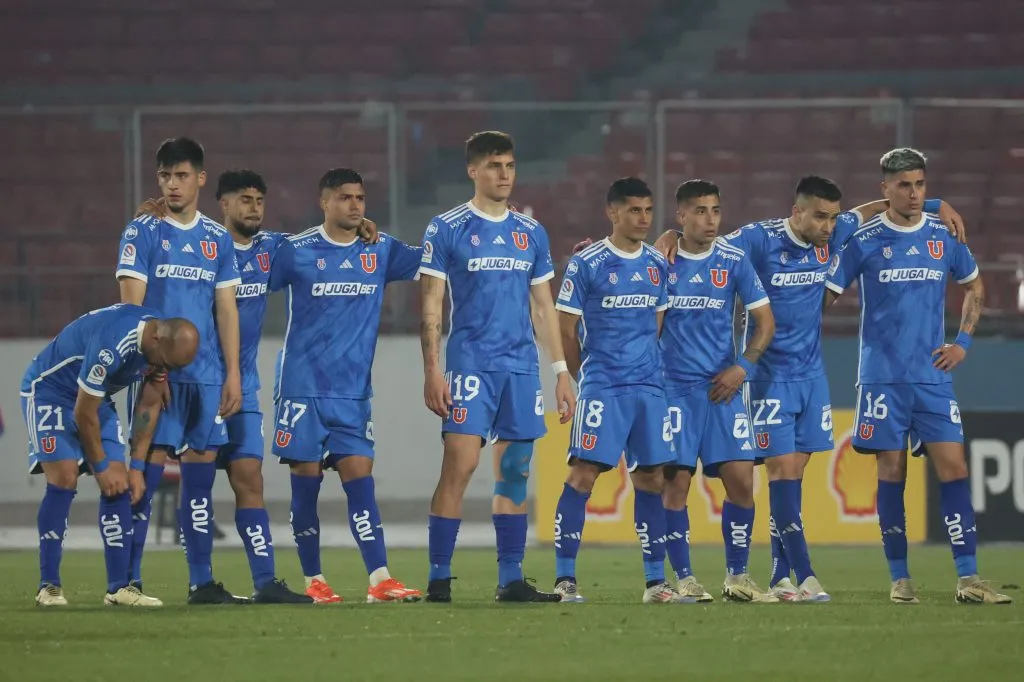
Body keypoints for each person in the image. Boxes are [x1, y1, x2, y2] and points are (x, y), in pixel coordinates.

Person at [652, 178, 967, 601]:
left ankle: (780, 577)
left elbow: (875, 208)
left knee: (793, 478)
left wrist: (936, 202)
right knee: (779, 474)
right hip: (767, 377)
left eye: (833, 217)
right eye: (820, 216)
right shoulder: (758, 239)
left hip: (811, 377)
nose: (829, 225)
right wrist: (669, 234)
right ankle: (805, 574)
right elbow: (706, 243)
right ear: (796, 211)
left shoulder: (836, 232)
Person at [825, 147, 1010, 605]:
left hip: (931, 378)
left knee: (955, 469)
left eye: (920, 184)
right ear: (884, 188)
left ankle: (968, 579)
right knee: (891, 471)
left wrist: (962, 343)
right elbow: (824, 297)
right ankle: (900, 579)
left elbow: (975, 288)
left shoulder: (943, 235)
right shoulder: (863, 241)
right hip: (882, 378)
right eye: (904, 184)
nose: (913, 192)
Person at [135, 170, 312, 603]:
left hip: (242, 382)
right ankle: (198, 581)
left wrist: (359, 227)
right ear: (223, 204)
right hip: (198, 381)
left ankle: (266, 580)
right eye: (244, 200)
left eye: (259, 200)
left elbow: (319, 243)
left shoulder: (271, 248)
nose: (253, 207)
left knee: (249, 475)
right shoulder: (199, 244)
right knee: (192, 476)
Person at [419, 131, 576, 603]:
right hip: (470, 365)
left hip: (520, 368)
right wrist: (432, 370)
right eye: (493, 166)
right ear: (473, 170)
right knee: (460, 466)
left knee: (514, 471)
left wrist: (561, 372)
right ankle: (439, 577)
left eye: (509, 165)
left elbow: (544, 307)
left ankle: (511, 579)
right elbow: (431, 302)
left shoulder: (531, 233)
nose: (504, 174)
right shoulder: (446, 228)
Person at [270, 168, 422, 603]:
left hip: (353, 394)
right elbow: (243, 279)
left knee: (361, 480)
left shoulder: (380, 250)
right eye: (345, 198)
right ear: (324, 203)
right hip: (302, 389)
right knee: (307, 482)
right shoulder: (296, 251)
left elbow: (433, 259)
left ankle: (379, 579)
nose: (355, 205)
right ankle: (313, 580)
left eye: (360, 198)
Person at [116, 137, 247, 604]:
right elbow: (131, 303)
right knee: (143, 479)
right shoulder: (144, 231)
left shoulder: (216, 239)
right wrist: (151, 367)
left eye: (182, 175)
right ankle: (127, 580)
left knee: (199, 485)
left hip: (207, 378)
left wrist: (232, 374)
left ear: (200, 179)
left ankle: (201, 581)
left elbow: (226, 309)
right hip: (158, 376)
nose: (173, 185)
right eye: (165, 177)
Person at [550, 178, 677, 603]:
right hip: (603, 387)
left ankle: (656, 583)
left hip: (649, 388)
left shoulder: (658, 266)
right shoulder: (587, 263)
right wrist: (578, 372)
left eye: (647, 210)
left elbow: (656, 324)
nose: (643, 218)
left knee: (652, 478)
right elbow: (565, 328)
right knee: (583, 474)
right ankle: (565, 579)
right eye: (634, 210)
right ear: (613, 213)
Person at [22, 304, 197, 606]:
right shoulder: (113, 343)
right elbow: (82, 412)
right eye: (166, 363)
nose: (165, 370)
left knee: (121, 483)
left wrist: (137, 466)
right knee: (65, 477)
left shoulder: (160, 349)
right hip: (50, 391)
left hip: (94, 398)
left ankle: (119, 589)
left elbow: (147, 406)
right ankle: (48, 585)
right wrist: (100, 466)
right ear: (156, 339)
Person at [656, 180, 778, 602]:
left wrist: (742, 367)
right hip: (674, 390)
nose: (710, 219)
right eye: (700, 211)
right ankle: (686, 578)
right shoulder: (661, 261)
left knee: (742, 481)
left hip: (723, 390)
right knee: (676, 484)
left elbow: (765, 321)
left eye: (715, 210)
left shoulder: (734, 260)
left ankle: (737, 576)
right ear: (681, 217)